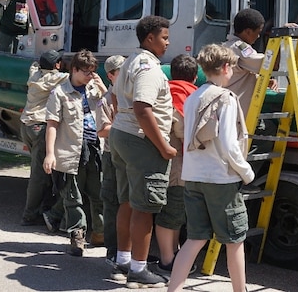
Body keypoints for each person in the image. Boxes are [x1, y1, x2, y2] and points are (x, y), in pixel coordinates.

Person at [167, 44, 255, 292]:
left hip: (193, 176)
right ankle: (240, 290)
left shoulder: (194, 96)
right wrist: (246, 172)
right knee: (234, 239)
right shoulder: (225, 98)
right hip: (221, 178)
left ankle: (173, 288)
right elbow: (228, 143)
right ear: (226, 67)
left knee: (195, 237)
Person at [109, 15, 176, 288]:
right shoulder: (149, 68)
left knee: (127, 202)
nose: (168, 43)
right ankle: (138, 269)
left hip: (122, 134)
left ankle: (123, 261)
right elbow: (142, 108)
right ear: (150, 38)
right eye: (164, 37)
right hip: (142, 140)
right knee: (144, 207)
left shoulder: (129, 61)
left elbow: (116, 96)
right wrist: (164, 146)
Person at [43, 49, 104, 257]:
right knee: (73, 196)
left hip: (94, 147)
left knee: (99, 192)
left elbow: (109, 110)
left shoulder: (94, 89)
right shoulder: (60, 93)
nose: (90, 76)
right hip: (70, 150)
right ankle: (77, 236)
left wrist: (103, 89)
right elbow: (52, 125)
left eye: (92, 72)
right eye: (86, 72)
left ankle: (100, 233)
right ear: (75, 70)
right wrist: (50, 154)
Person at [155, 54, 198, 275]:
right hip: (179, 164)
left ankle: (172, 255)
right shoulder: (186, 95)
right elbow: (184, 132)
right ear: (193, 76)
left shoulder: (165, 91)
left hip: (162, 161)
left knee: (173, 211)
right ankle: (167, 259)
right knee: (172, 211)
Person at [19, 50, 68, 227]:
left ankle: (43, 207)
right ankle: (29, 214)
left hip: (26, 125)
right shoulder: (53, 78)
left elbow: (33, 64)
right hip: (40, 127)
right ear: (56, 65)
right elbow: (73, 77)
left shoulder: (34, 74)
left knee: (44, 171)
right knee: (39, 175)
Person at [94, 55, 124, 264]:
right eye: (121, 71)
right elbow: (102, 131)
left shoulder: (132, 95)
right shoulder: (105, 100)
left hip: (131, 156)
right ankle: (113, 249)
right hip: (111, 155)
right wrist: (126, 126)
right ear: (111, 75)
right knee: (112, 201)